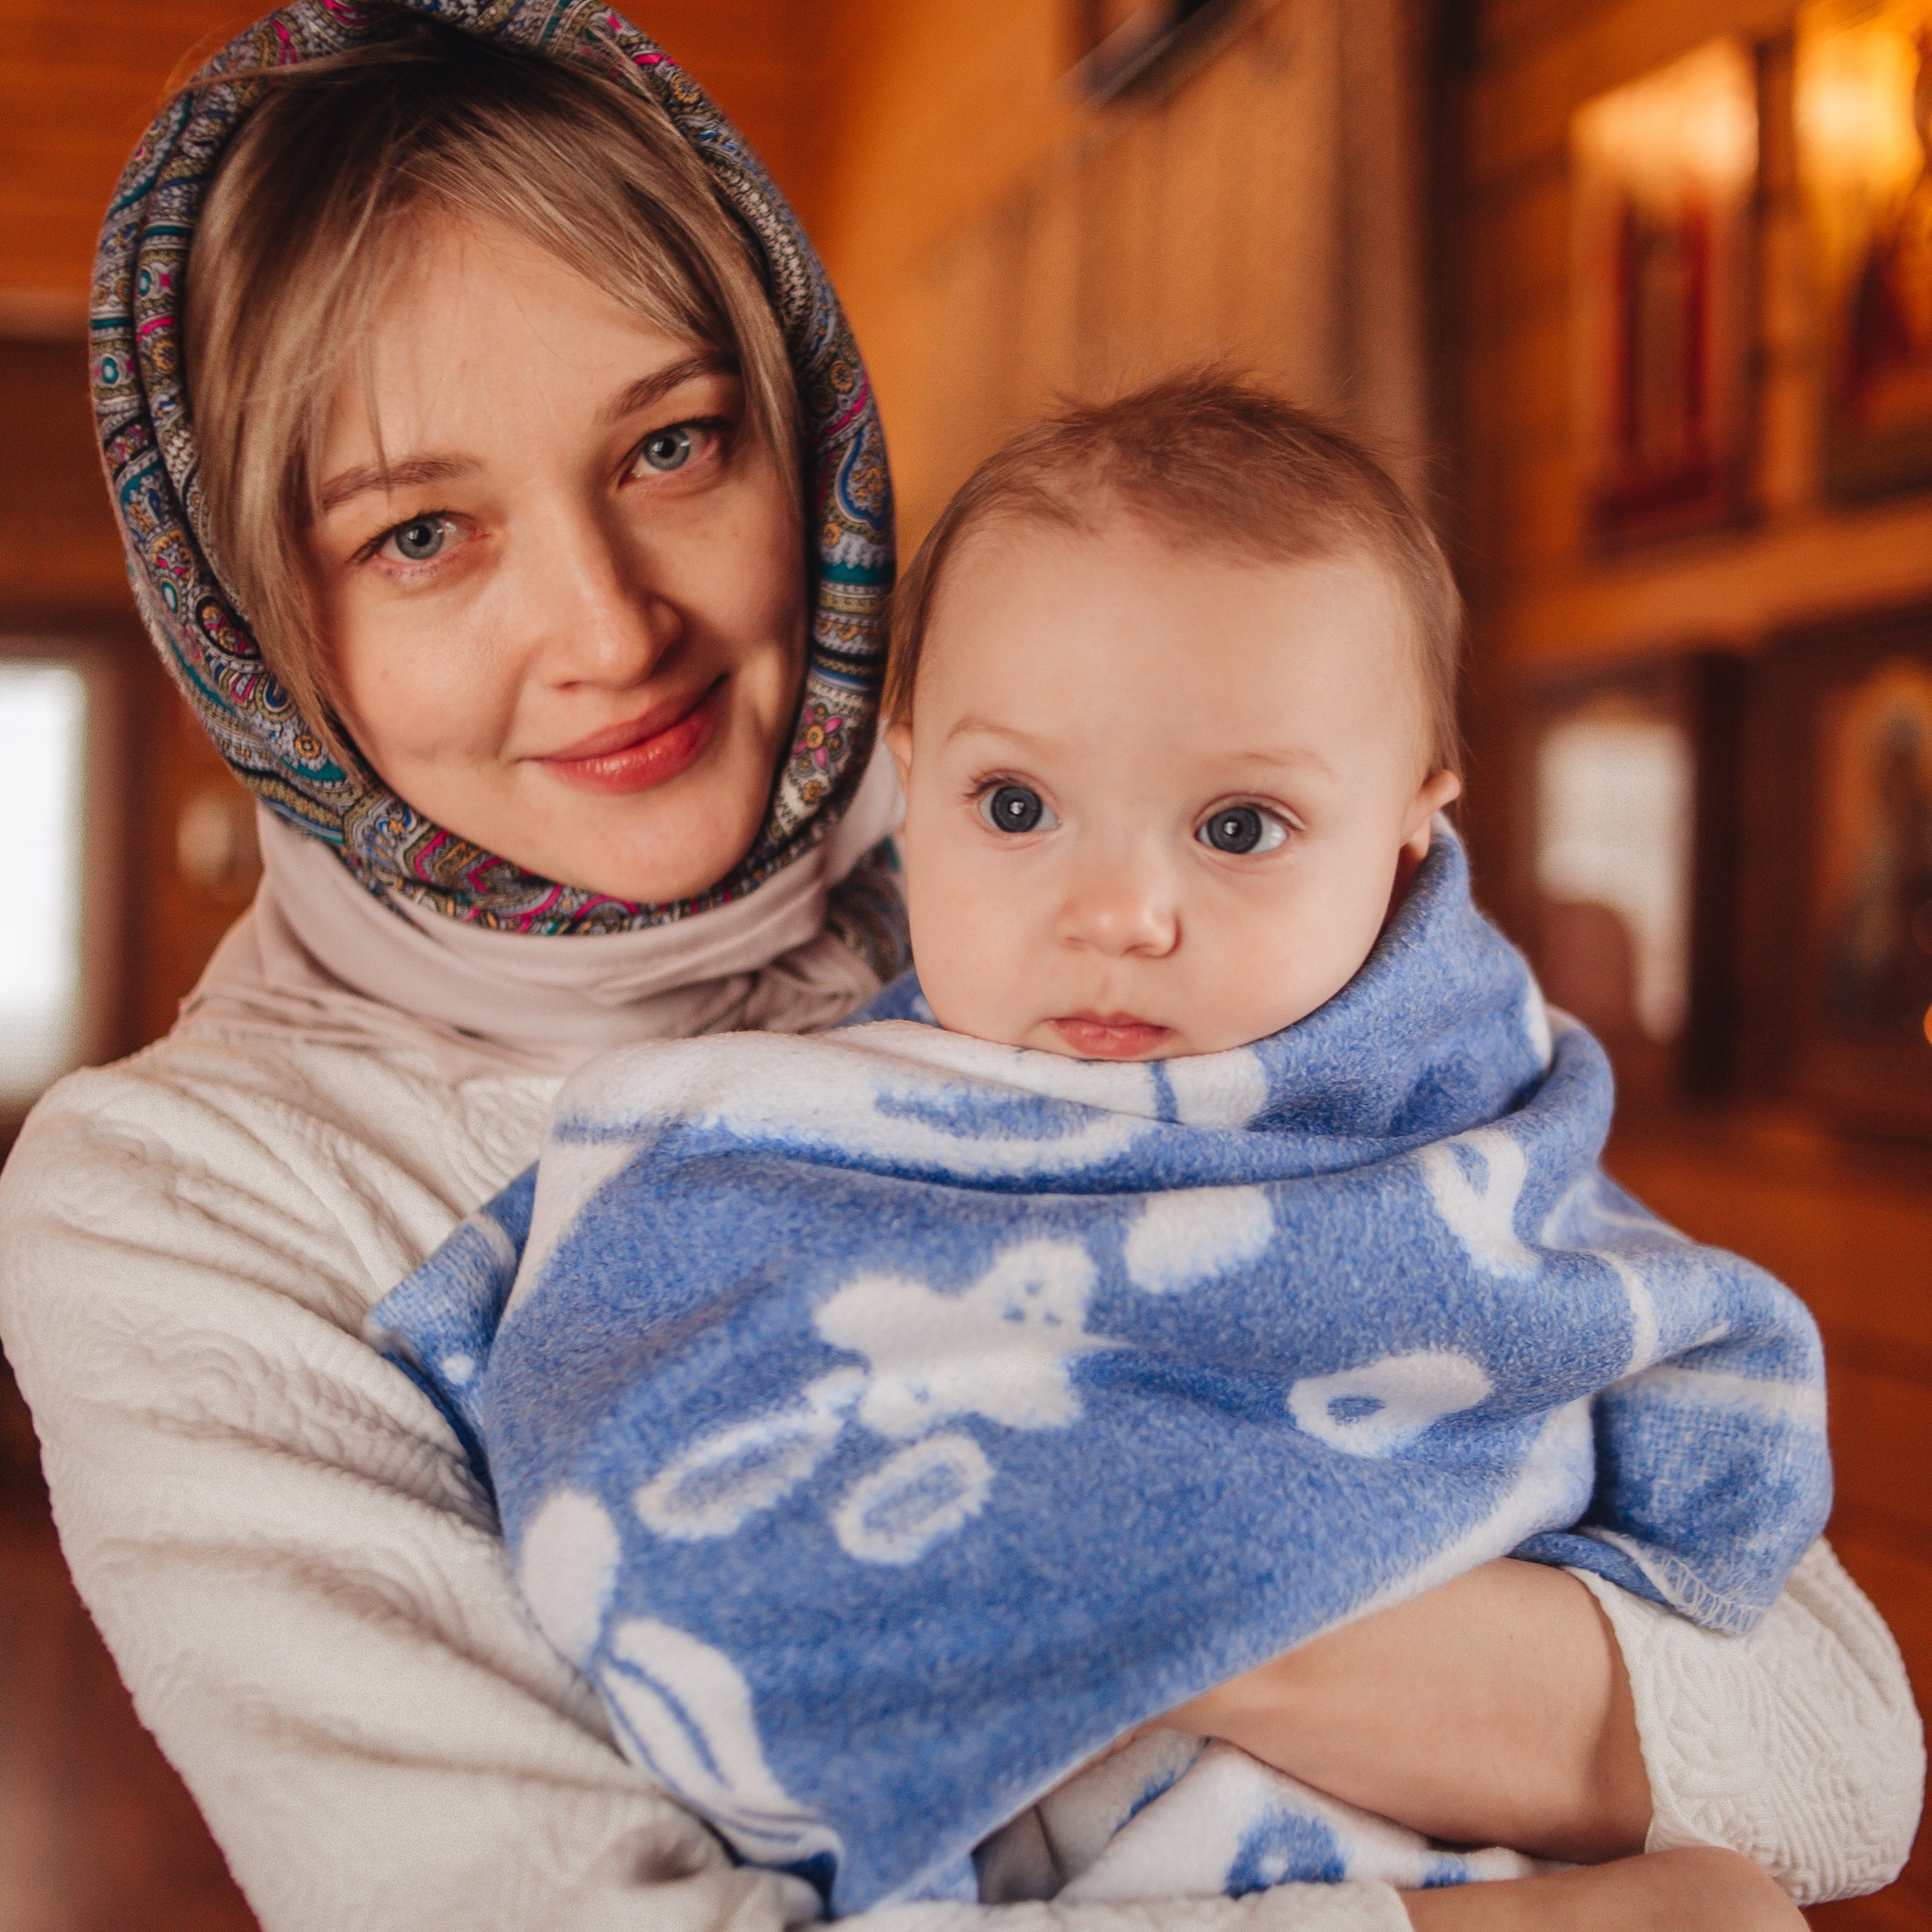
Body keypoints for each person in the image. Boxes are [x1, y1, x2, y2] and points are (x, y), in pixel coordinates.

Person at [0, 6, 1917, 1931]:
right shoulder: (191, 1203)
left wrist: (979, 1581)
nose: (604, 622)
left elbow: (1826, 1747)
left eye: (671, 444)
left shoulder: (1088, 907)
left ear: (805, 434)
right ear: (252, 615)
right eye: (419, 532)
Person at [368, 379, 1838, 1917]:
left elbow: (1798, 1685)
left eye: (1239, 828)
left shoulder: (1453, 1111)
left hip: (1449, 1822)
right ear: (912, 776)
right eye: (1016, 805)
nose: (1119, 913)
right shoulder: (795, 1138)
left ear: (1412, 823)